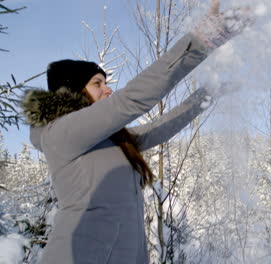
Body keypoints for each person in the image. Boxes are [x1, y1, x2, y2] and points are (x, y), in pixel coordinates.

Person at [20, 1, 254, 263]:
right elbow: (131, 100)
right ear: (72, 91)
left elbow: (160, 128)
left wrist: (206, 94)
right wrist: (202, 40)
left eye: (106, 83)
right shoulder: (62, 133)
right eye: (97, 84)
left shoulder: (110, 141)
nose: (107, 90)